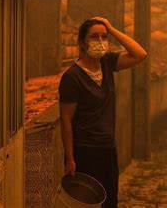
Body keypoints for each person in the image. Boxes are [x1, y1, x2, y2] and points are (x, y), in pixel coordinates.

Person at [59, 17, 147, 208]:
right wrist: (70, 158)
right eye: (94, 36)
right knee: (88, 203)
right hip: (85, 151)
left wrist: (112, 29)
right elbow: (66, 120)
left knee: (110, 200)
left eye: (103, 37)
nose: (100, 41)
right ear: (83, 41)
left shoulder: (107, 63)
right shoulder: (72, 77)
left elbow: (140, 54)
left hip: (107, 148)